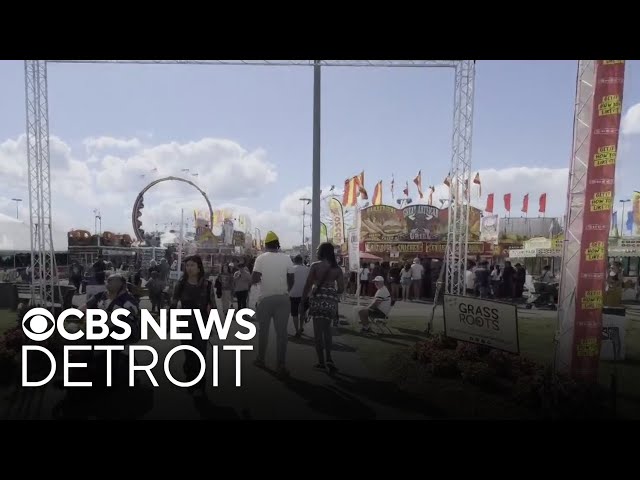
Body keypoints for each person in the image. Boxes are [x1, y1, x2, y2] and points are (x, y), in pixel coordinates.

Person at [171, 255, 216, 397]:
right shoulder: (181, 284)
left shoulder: (207, 284)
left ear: (199, 267)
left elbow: (213, 305)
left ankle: (199, 385)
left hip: (202, 321)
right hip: (184, 321)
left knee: (200, 353)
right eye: (187, 265)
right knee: (188, 352)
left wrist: (213, 325)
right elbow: (173, 303)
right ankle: (190, 377)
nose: (189, 268)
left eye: (192, 265)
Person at [251, 231, 293, 378]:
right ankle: (281, 365)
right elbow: (291, 278)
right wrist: (286, 290)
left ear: (266, 245)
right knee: (282, 334)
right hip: (282, 298)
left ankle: (261, 359)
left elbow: (255, 278)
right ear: (278, 244)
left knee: (263, 331)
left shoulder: (260, 258)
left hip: (265, 299)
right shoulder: (287, 258)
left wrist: (259, 280)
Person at [300, 244, 344, 372]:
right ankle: (329, 358)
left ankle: (321, 362)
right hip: (330, 299)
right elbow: (341, 288)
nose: (317, 251)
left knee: (318, 332)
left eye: (318, 250)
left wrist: (303, 301)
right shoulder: (337, 269)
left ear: (322, 252)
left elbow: (308, 285)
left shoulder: (315, 265)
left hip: (318, 298)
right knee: (327, 331)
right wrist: (331, 291)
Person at [287, 255, 310, 338]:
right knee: (303, 312)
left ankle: (297, 331)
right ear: (301, 261)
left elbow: (288, 282)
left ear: (294, 261)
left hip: (293, 294)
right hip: (304, 294)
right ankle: (301, 327)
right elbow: (309, 282)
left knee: (294, 313)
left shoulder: (291, 269)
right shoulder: (307, 269)